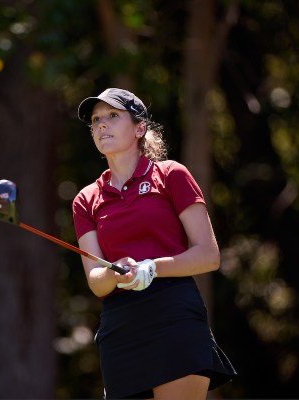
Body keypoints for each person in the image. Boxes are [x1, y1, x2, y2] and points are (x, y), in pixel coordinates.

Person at [72, 88, 237, 399]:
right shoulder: (86, 199)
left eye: (112, 116)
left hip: (172, 316)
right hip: (120, 328)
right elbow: (96, 281)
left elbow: (208, 255)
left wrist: (151, 268)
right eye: (95, 120)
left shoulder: (171, 174)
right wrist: (114, 272)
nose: (101, 125)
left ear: (139, 128)